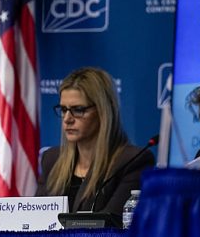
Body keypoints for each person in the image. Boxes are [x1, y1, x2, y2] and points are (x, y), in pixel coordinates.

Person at [36, 67, 155, 218]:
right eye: (63, 109)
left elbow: (112, 225)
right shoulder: (51, 159)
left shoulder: (132, 162)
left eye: (78, 110)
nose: (67, 119)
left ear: (103, 111)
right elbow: (35, 219)